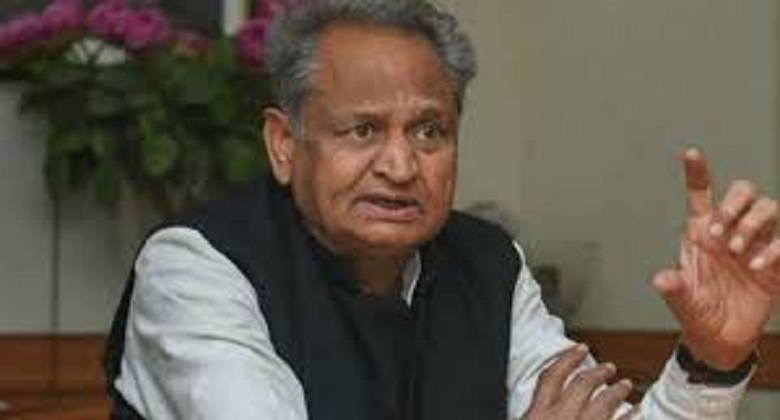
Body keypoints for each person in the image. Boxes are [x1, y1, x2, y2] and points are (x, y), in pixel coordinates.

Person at [104, 0, 780, 419]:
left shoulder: (488, 264)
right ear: (285, 145)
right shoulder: (196, 266)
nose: (401, 167)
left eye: (430, 131)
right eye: (362, 130)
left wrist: (711, 360)